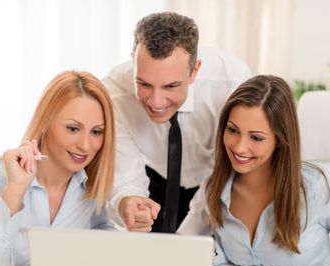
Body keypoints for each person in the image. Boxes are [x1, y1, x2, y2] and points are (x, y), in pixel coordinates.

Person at [178, 75, 330, 266]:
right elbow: (189, 246)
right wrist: (211, 253)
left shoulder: (318, 186)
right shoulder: (214, 185)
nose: (239, 146)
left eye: (256, 137)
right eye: (233, 130)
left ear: (280, 139)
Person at [0, 70, 115, 266]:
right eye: (73, 128)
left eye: (96, 132)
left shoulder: (91, 187)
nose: (85, 145)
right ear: (45, 123)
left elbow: (103, 241)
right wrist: (15, 191)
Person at [103, 12, 252, 233]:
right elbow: (125, 174)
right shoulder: (114, 93)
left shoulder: (232, 82)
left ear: (194, 71)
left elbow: (237, 166)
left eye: (170, 86)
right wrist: (128, 200)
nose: (155, 101)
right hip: (153, 177)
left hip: (216, 180)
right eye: (143, 83)